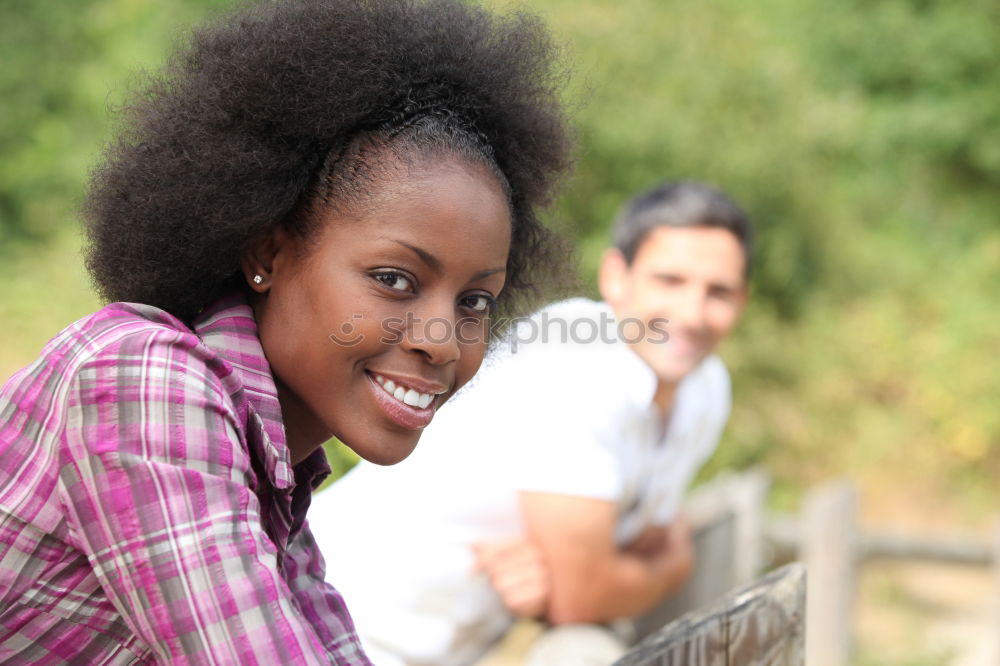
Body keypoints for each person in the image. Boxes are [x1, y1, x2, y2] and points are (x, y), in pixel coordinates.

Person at [0, 0, 572, 663]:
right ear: (267, 255)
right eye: (394, 279)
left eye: (475, 299)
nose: (443, 339)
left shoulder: (270, 476)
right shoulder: (142, 382)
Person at [310, 181, 753, 666]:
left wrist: (582, 575)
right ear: (616, 277)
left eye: (719, 292)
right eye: (670, 281)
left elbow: (627, 546)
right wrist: (673, 568)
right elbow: (585, 594)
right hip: (329, 618)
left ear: (742, 300)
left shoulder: (706, 389)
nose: (691, 314)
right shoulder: (573, 366)